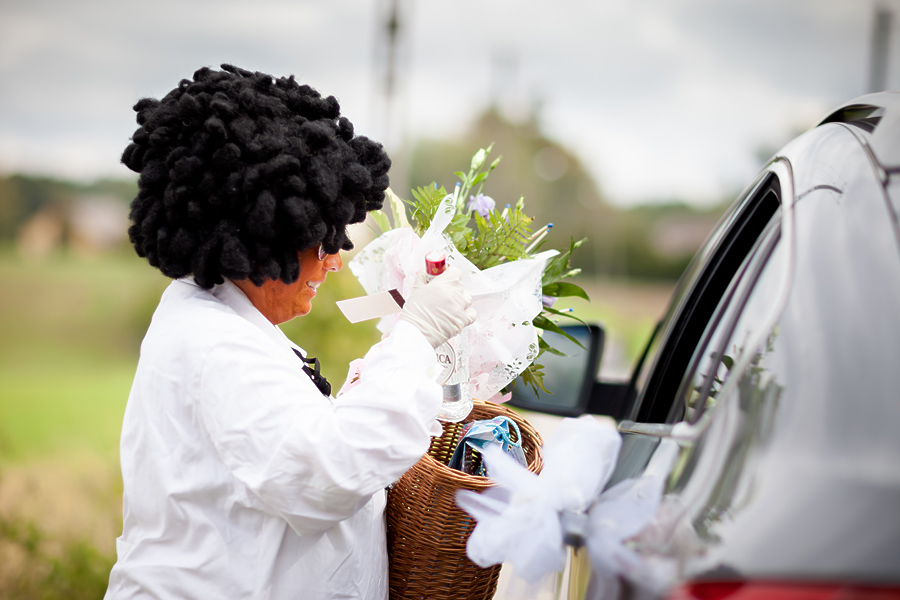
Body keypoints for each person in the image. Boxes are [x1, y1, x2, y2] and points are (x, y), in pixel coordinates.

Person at [105, 64, 476, 599]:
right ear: (263, 237)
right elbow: (328, 473)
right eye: (323, 241)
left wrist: (378, 376)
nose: (335, 262)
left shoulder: (221, 321)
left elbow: (292, 444)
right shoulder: (215, 344)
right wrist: (416, 338)